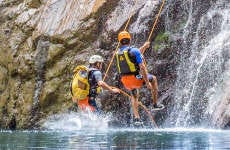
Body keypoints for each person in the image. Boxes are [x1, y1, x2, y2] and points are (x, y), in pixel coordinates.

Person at [115, 30, 163, 125]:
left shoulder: (118, 53)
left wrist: (144, 47)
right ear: (129, 39)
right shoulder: (134, 50)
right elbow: (142, 67)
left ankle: (137, 118)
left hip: (125, 81)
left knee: (134, 94)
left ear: (119, 41)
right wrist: (147, 82)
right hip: (136, 79)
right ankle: (155, 104)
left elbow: (134, 54)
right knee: (153, 79)